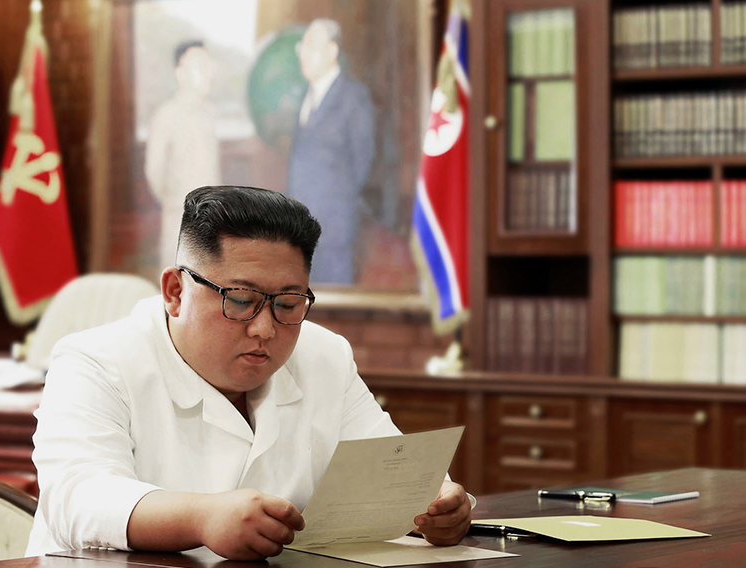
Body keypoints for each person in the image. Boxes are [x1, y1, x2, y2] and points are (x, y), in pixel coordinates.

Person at [25, 186, 472, 561]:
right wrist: (202, 517)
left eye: (289, 303)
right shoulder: (94, 361)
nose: (265, 327)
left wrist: (437, 504)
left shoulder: (324, 355)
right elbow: (79, 498)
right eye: (239, 300)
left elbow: (390, 469)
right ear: (175, 291)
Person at [286, 19, 376, 284]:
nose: (302, 53)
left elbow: (363, 163)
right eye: (302, 46)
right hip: (301, 230)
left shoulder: (353, 97)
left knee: (334, 312)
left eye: (311, 46)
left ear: (332, 51)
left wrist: (335, 205)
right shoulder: (306, 96)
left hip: (334, 232)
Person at [146, 40, 221, 274]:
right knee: (178, 291)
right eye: (199, 66)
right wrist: (177, 203)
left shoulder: (210, 112)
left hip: (213, 221)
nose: (208, 73)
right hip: (181, 221)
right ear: (180, 73)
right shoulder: (166, 116)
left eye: (208, 65)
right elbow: (154, 173)